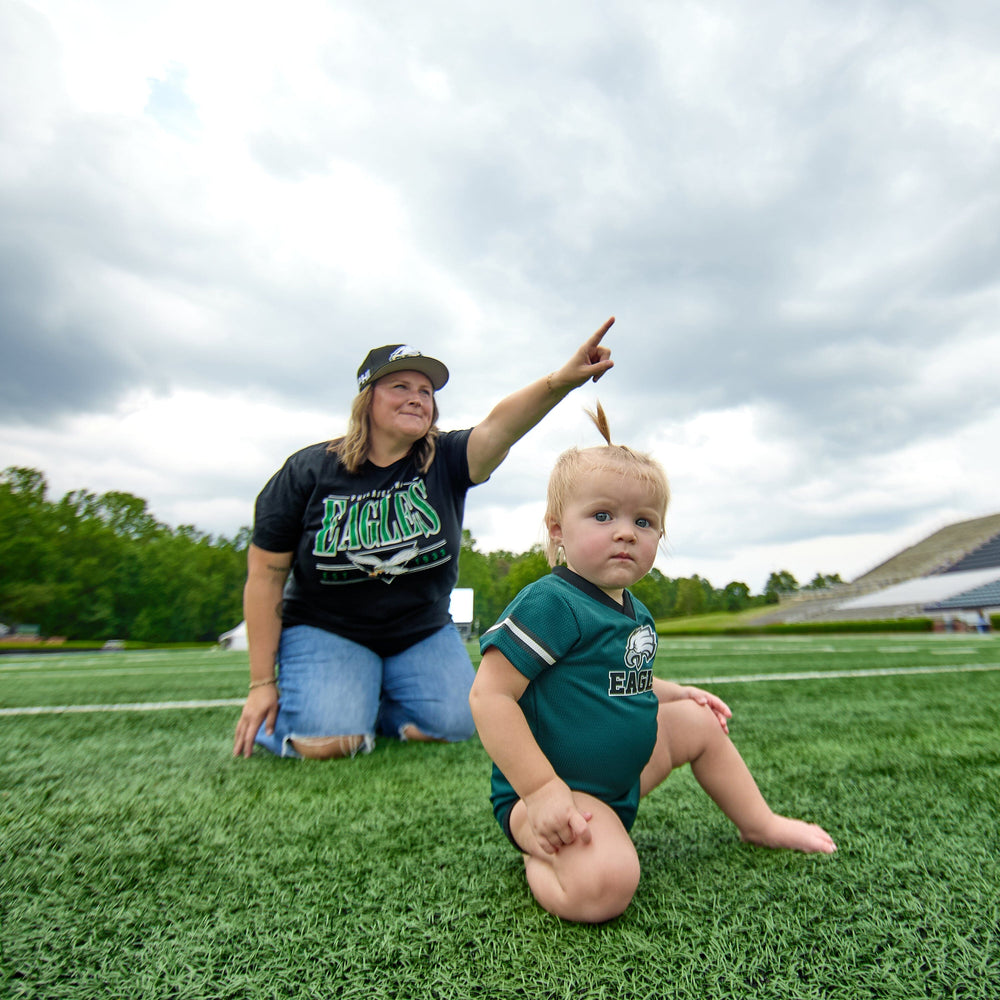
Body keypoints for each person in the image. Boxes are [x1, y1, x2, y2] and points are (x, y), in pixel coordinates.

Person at [469, 405, 836, 923]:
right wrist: (541, 790)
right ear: (557, 529)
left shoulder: (632, 609)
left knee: (698, 722)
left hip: (623, 781)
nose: (626, 532)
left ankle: (760, 822)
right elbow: (490, 696)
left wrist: (677, 692)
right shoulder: (550, 601)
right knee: (605, 889)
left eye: (643, 521)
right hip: (552, 795)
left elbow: (618, 679)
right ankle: (540, 849)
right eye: (603, 515)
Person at [232, 319, 615, 760]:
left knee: (454, 723)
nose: (417, 397)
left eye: (426, 391)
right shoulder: (306, 471)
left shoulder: (446, 459)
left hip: (419, 629)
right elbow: (264, 578)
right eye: (400, 386)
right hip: (327, 628)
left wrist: (560, 382)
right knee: (326, 742)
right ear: (366, 398)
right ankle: (336, 699)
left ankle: (370, 700)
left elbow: (500, 428)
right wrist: (262, 683)